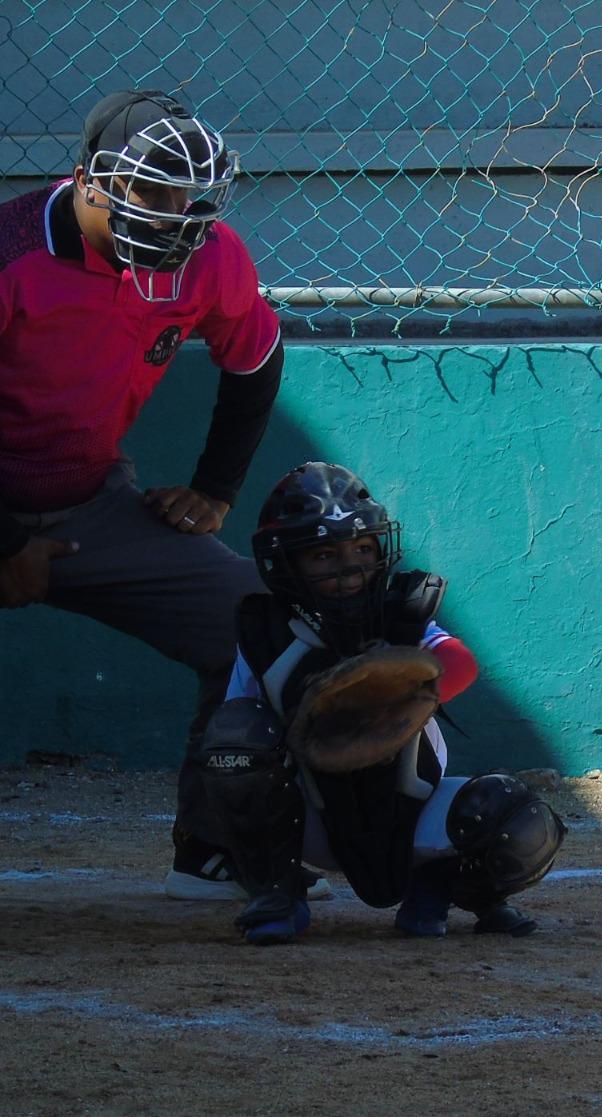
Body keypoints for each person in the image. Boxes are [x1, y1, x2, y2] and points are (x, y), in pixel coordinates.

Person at [0, 89, 322, 901]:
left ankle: (213, 850)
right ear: (87, 180)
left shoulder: (209, 258)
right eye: (152, 192)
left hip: (87, 503)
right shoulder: (11, 254)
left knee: (255, 623)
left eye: (192, 198)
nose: (176, 215)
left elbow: (255, 358)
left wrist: (216, 489)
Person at [198, 462, 566, 944]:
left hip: (411, 810)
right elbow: (233, 733)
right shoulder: (264, 632)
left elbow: (460, 663)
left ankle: (437, 888)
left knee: (517, 817)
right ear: (285, 561)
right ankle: (276, 893)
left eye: (361, 549)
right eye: (323, 555)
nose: (348, 568)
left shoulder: (402, 612)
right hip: (308, 817)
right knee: (235, 735)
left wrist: (396, 701)